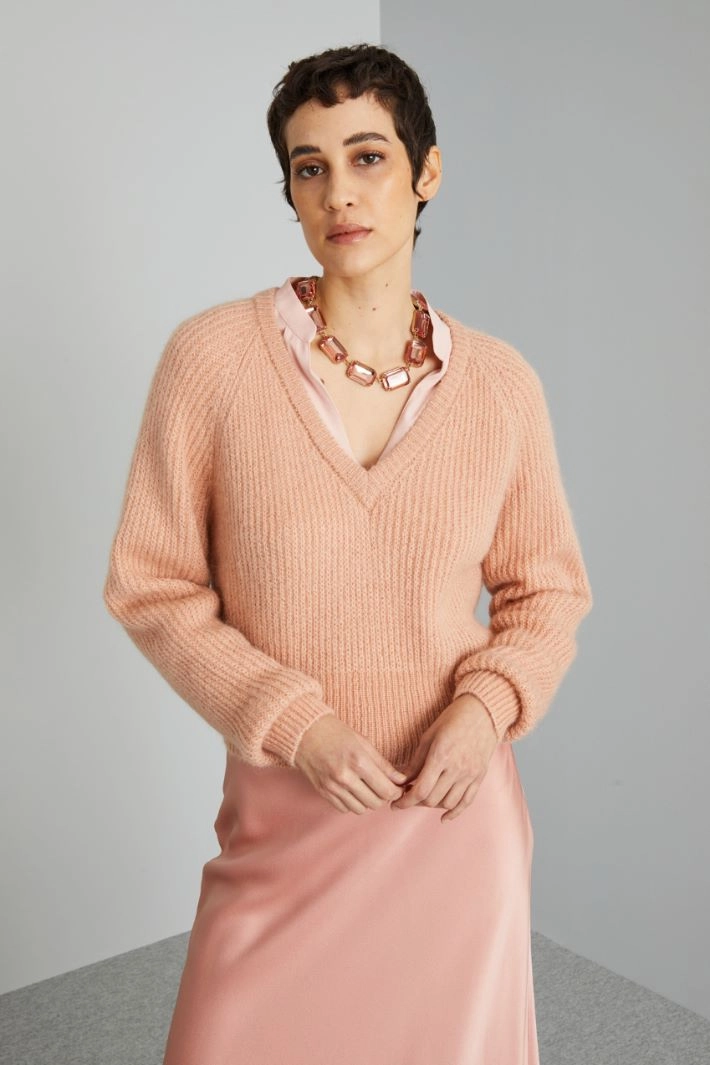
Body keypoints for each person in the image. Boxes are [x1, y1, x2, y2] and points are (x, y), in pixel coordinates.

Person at [103, 42, 593, 1065]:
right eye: (309, 167)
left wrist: (484, 710)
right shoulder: (213, 360)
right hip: (287, 805)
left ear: (426, 172)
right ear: (288, 190)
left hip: (452, 812)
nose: (338, 192)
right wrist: (297, 725)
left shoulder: (501, 386)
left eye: (368, 157)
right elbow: (152, 585)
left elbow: (545, 591)